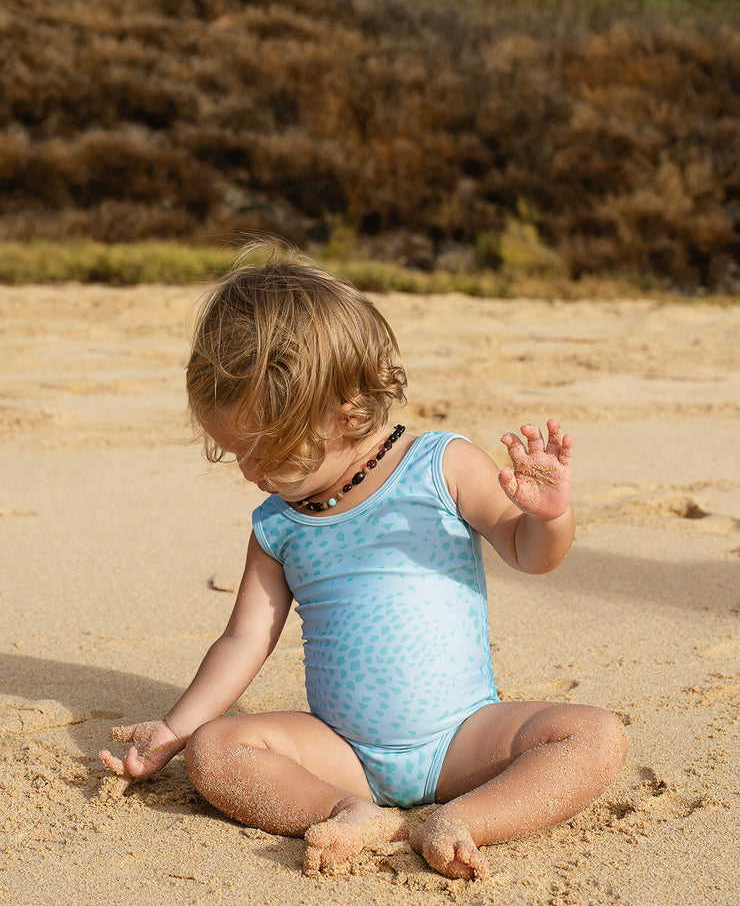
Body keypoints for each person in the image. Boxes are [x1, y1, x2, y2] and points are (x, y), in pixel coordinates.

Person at [100, 243, 627, 880]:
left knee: (596, 737)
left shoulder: (443, 465)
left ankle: (465, 819)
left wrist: (550, 516)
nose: (249, 473)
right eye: (234, 453)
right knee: (215, 751)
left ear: (346, 407)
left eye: (266, 451)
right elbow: (244, 639)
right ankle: (350, 813)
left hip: (463, 738)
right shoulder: (278, 524)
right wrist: (175, 729)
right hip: (342, 751)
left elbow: (529, 553)